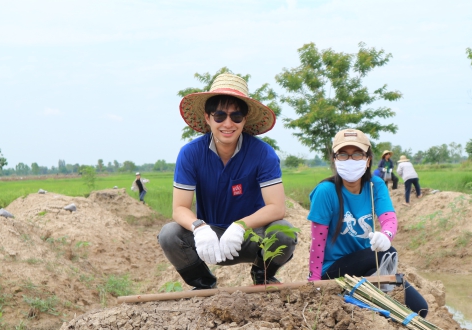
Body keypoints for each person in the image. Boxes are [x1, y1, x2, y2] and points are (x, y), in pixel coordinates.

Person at [158, 73, 297, 290]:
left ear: (245, 119)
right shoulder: (190, 154)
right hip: (209, 239)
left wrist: (241, 225)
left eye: (236, 116)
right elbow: (179, 208)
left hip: (250, 236)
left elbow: (277, 207)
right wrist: (199, 228)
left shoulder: (263, 153)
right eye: (220, 116)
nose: (228, 124)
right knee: (169, 234)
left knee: (283, 232)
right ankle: (204, 285)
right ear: (208, 118)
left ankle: (262, 275)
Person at [306, 129, 428, 317]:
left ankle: (367, 302)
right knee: (388, 253)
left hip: (367, 264)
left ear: (368, 160)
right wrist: (314, 281)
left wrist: (386, 236)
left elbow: (389, 218)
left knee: (420, 308)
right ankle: (362, 299)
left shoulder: (375, 185)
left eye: (357, 154)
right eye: (343, 155)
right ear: (335, 160)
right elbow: (317, 242)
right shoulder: (325, 192)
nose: (350, 160)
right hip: (333, 269)